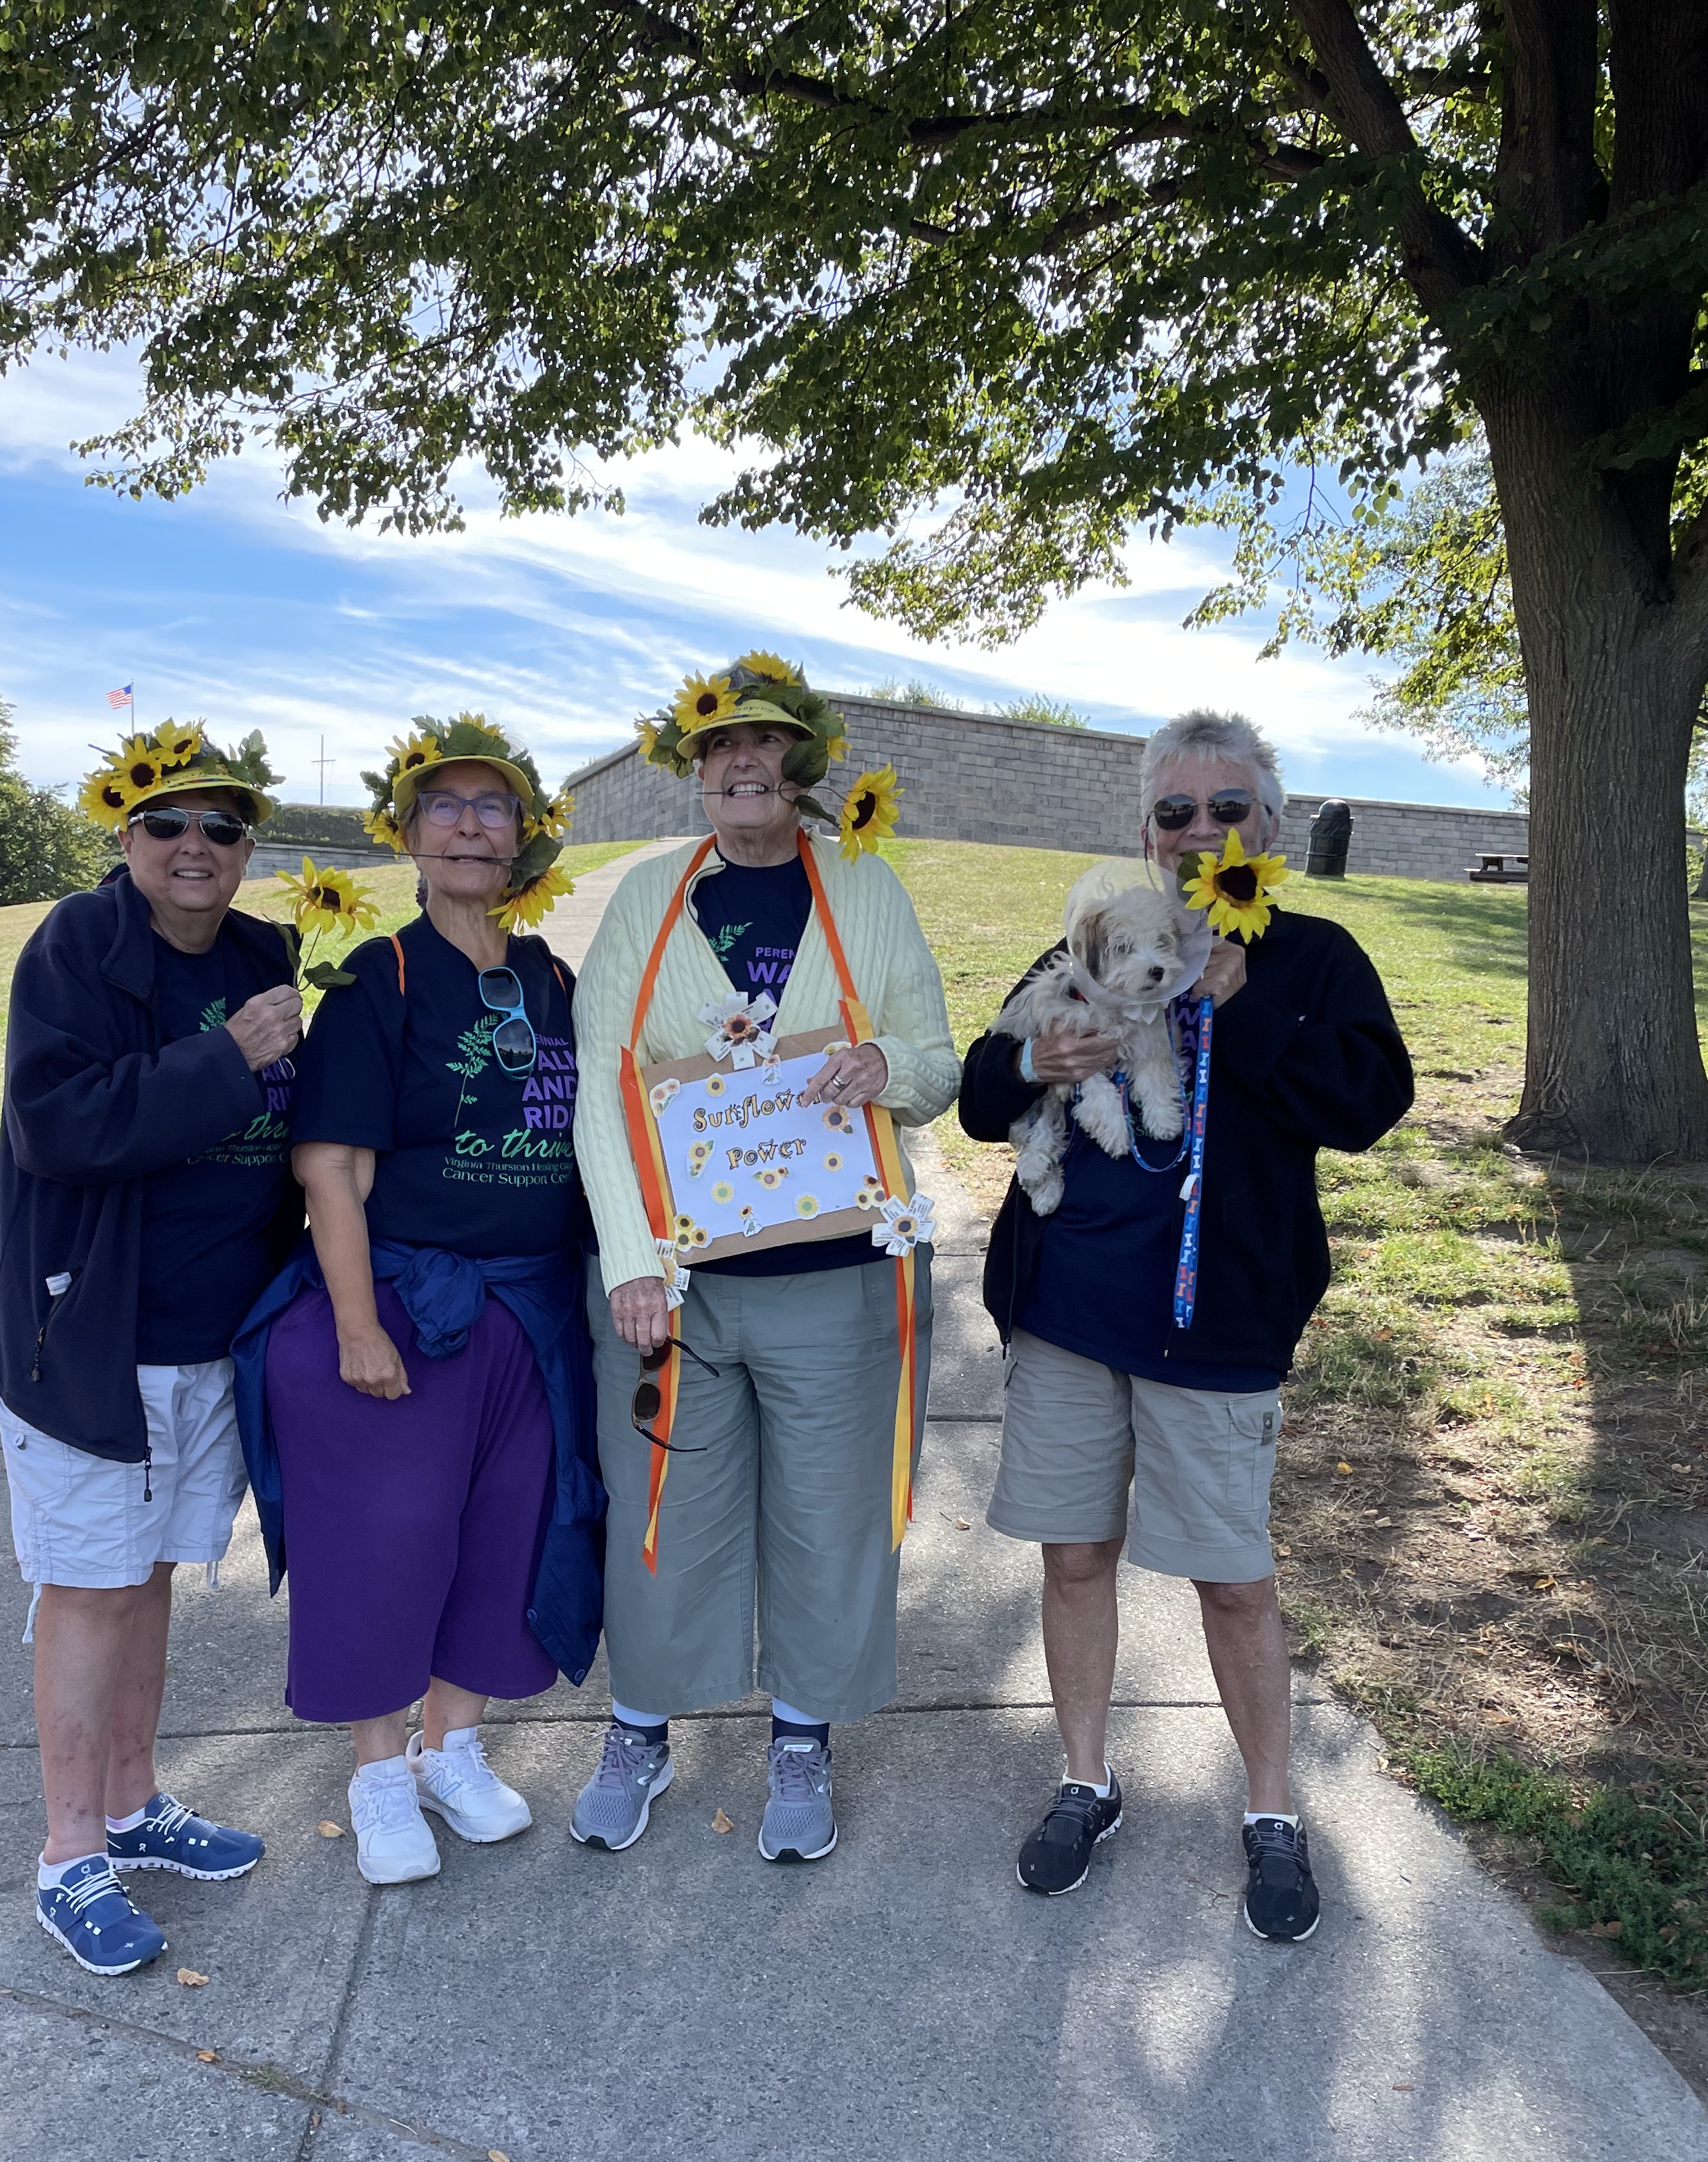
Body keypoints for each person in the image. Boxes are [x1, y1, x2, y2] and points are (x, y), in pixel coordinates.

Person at [960, 708, 1413, 1939]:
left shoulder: (1314, 958)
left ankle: (1271, 1810)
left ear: (1270, 829)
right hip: (1066, 1316)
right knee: (1073, 1556)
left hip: (1216, 1332)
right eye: (1177, 813)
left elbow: (1371, 1101)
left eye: (1228, 811)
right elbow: (976, 1091)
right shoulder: (1096, 935)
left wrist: (1244, 1000)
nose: (1201, 830)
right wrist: (1036, 1068)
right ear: (1145, 831)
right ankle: (1086, 1781)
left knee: (1233, 1583)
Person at [570, 654, 959, 1863]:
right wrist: (630, 1258)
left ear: (799, 764)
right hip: (673, 1289)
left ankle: (802, 1737)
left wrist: (888, 1067)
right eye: (717, 748)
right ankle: (640, 1728)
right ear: (697, 772)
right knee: (660, 1512)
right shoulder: (647, 900)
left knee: (828, 1514)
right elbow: (603, 1087)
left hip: (837, 1281)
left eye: (764, 743)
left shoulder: (866, 889)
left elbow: (939, 1061)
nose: (741, 762)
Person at [234, 714, 603, 1888]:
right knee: (385, 1547)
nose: (468, 825)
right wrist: (355, 1324)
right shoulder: (378, 981)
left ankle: (455, 1749)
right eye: (443, 805)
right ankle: (379, 1773)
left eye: (492, 806)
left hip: (530, 1318)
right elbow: (330, 1166)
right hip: (407, 1308)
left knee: (502, 1540)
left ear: (525, 839)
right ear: (405, 832)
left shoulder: (554, 980)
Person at [0, 722, 300, 1974]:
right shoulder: (78, 947)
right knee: (90, 1587)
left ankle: (134, 1803)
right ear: (127, 836)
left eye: (221, 825)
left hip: (210, 1338)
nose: (195, 845)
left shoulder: (265, 952)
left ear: (246, 846)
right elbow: (58, 1125)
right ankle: (67, 1857)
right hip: (88, 1337)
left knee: (150, 1573)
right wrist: (230, 1056)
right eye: (168, 823)